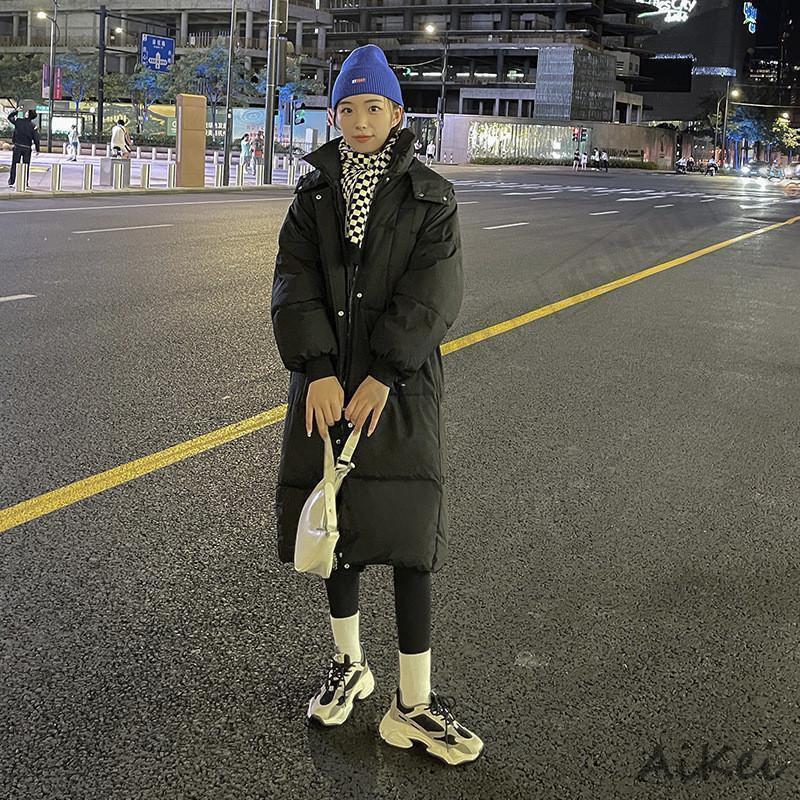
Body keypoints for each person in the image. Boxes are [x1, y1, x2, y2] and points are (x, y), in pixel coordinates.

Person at [270, 43, 483, 767]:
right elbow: (293, 284)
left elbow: (434, 294)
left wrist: (384, 373)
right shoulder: (312, 196)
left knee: (411, 538)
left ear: (396, 113)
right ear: (333, 116)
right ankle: (349, 664)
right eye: (347, 109)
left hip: (401, 388)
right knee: (339, 524)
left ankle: (412, 704)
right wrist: (318, 370)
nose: (360, 121)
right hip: (327, 389)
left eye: (373, 108)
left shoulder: (431, 196)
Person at [7, 108, 40, 188]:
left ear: (27, 115)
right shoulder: (33, 126)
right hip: (27, 148)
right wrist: (37, 149)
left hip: (18, 146)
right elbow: (36, 138)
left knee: (14, 164)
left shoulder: (18, 121)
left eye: (27, 112)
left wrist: (16, 111)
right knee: (26, 165)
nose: (25, 112)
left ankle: (12, 181)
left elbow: (10, 117)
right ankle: (25, 182)